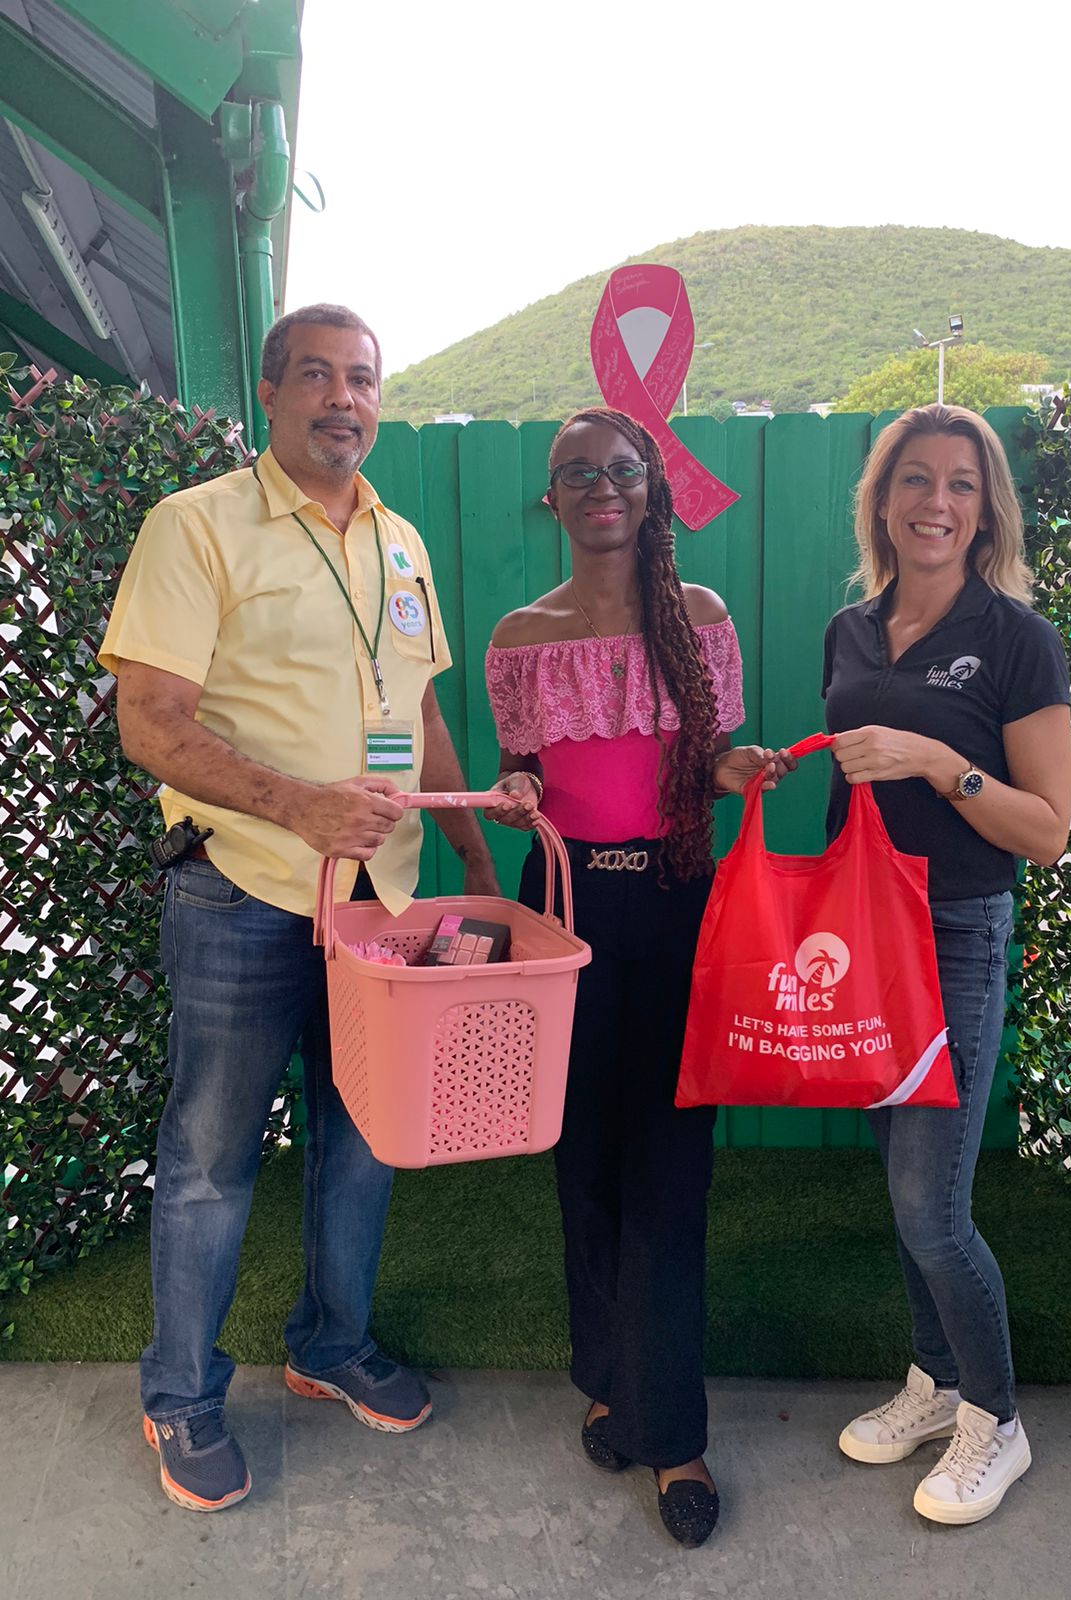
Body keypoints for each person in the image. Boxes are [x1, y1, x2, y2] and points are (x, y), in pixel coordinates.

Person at [99, 304, 506, 1512]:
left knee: (366, 1138)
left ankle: (329, 1343)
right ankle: (180, 1392)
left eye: (364, 379)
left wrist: (475, 860)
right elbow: (151, 721)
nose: (344, 397)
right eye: (318, 376)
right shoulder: (196, 527)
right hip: (244, 891)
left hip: (382, 907)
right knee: (212, 1159)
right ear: (268, 395)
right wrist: (302, 808)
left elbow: (417, 720)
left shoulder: (403, 543)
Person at [483, 406, 793, 1548]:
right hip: (560, 903)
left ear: (652, 489)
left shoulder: (698, 618)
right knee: (585, 1155)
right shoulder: (517, 634)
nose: (602, 487)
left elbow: (704, 766)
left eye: (621, 470)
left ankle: (677, 1437)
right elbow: (524, 769)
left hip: (671, 900)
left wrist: (737, 767)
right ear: (550, 499)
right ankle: (609, 1378)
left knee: (668, 1163)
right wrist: (515, 790)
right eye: (578, 474)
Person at [822, 403, 1071, 1524]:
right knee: (900, 1184)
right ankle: (935, 1383)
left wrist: (940, 762)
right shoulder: (851, 628)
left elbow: (1047, 828)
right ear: (882, 500)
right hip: (861, 933)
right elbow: (849, 779)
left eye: (960, 484)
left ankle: (998, 1420)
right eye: (914, 480)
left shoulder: (1019, 639)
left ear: (986, 509)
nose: (936, 501)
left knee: (934, 1207)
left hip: (955, 933)